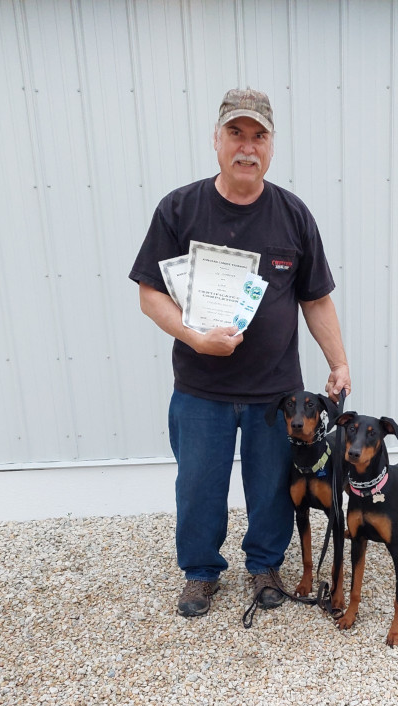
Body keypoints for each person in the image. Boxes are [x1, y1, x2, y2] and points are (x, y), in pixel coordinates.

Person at [129, 87, 351, 617]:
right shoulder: (179, 209)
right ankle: (201, 572)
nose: (246, 147)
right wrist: (194, 338)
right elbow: (149, 294)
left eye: (258, 136)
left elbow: (315, 298)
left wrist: (338, 361)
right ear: (217, 139)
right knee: (198, 486)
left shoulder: (293, 215)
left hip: (275, 394)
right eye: (236, 133)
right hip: (200, 389)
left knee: (272, 487)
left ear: (272, 147)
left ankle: (264, 566)